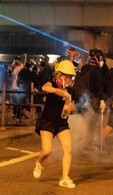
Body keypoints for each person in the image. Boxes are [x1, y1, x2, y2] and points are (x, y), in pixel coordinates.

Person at [33, 60, 77, 189]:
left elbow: (72, 109)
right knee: (47, 150)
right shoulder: (52, 84)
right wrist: (58, 91)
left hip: (62, 122)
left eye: (71, 76)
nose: (69, 79)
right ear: (59, 74)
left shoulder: (71, 91)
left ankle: (64, 178)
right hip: (47, 121)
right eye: (67, 75)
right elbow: (44, 88)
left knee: (68, 149)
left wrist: (71, 110)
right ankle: (39, 162)